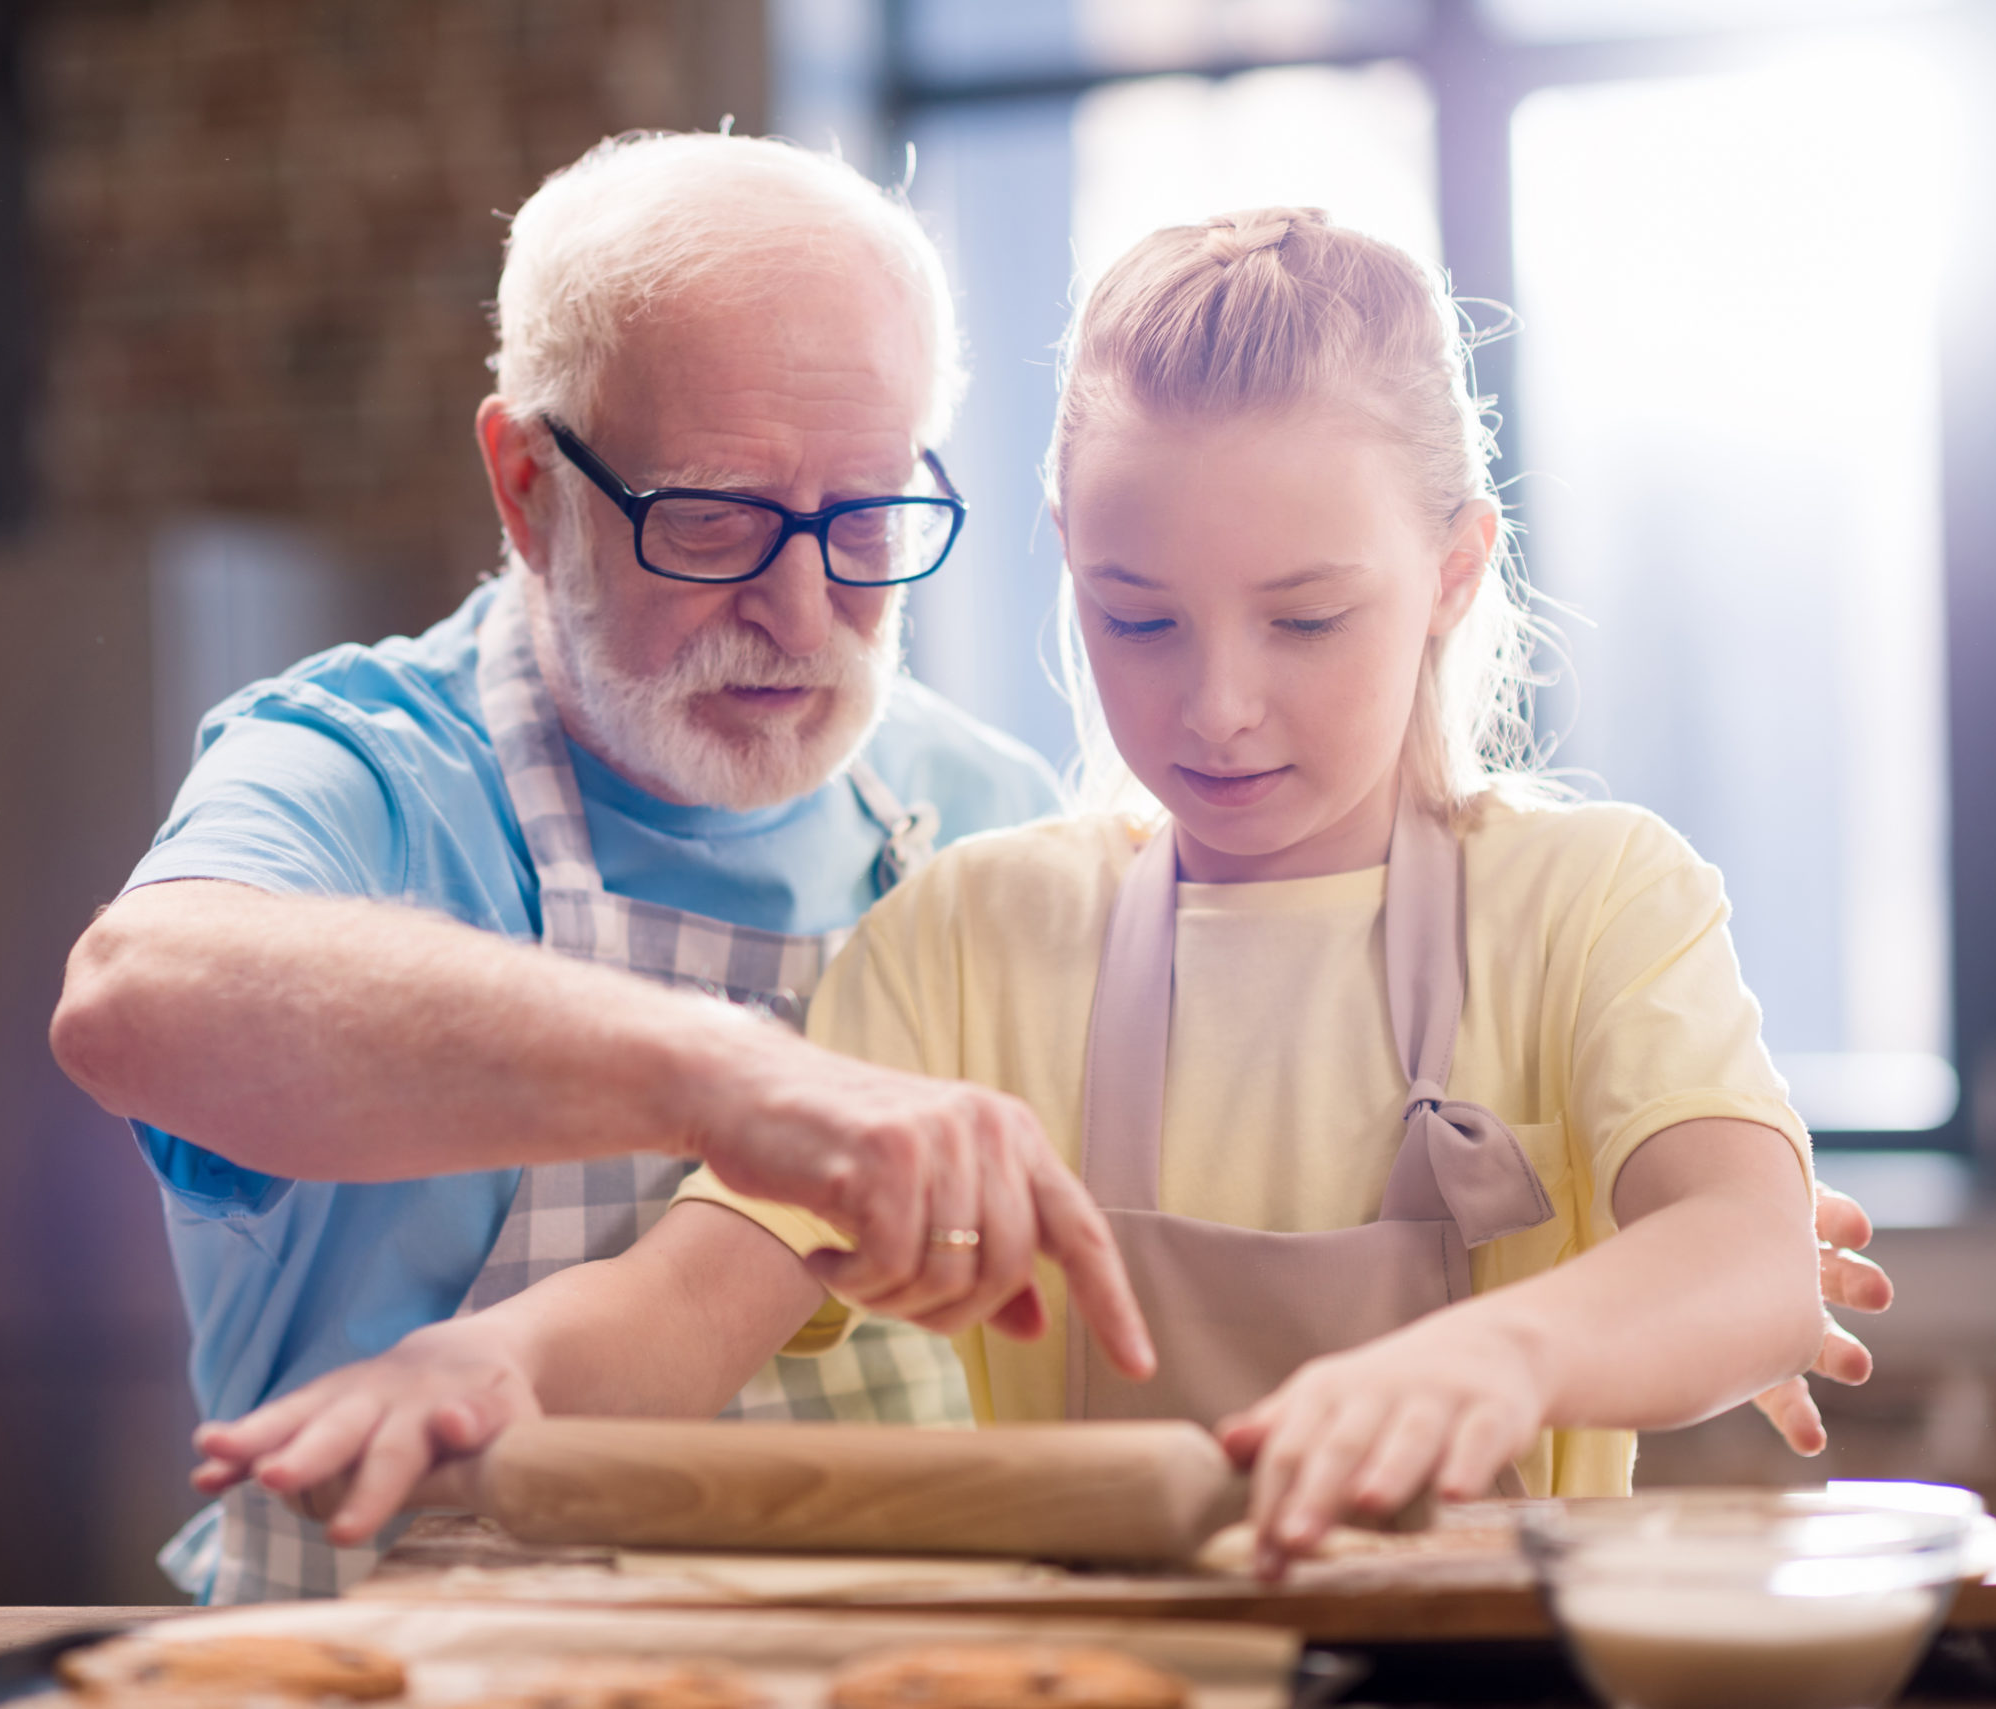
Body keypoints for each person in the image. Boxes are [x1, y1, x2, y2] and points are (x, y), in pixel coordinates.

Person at [189, 206, 1897, 1574]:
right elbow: (698, 1289)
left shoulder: (1598, 899)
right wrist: (501, 1366)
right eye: (1136, 618)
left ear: (1454, 572)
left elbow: (1748, 1256)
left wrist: (1504, 1354)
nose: (1216, 703)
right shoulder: (969, 932)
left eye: (1307, 619)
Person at [49, 130, 1160, 1605]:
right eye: (714, 517)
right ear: (526, 484)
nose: (803, 607)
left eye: (868, 511)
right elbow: (133, 999)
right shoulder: (373, 772)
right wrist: (734, 1079)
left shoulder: (982, 809)